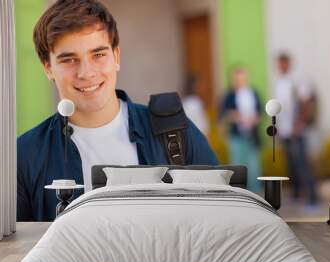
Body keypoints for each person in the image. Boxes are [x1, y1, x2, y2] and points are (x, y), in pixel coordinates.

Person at [17, 0, 218, 222]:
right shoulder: (25, 156)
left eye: (98, 55)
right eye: (69, 59)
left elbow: (222, 218)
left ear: (117, 57)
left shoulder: (176, 133)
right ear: (48, 68)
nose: (86, 72)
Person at [274, 53, 318, 205]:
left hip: (297, 130)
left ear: (288, 64)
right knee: (291, 163)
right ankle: (296, 194)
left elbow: (305, 104)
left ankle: (313, 196)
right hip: (285, 130)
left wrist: (300, 123)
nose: (279, 67)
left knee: (302, 163)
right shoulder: (280, 82)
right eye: (278, 64)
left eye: (281, 64)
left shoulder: (297, 80)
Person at [220, 67, 262, 193]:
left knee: (254, 166)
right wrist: (235, 116)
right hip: (236, 135)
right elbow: (224, 114)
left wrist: (253, 119)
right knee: (238, 165)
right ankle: (240, 192)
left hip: (252, 135)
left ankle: (255, 193)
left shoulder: (253, 93)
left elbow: (260, 113)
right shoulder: (230, 95)